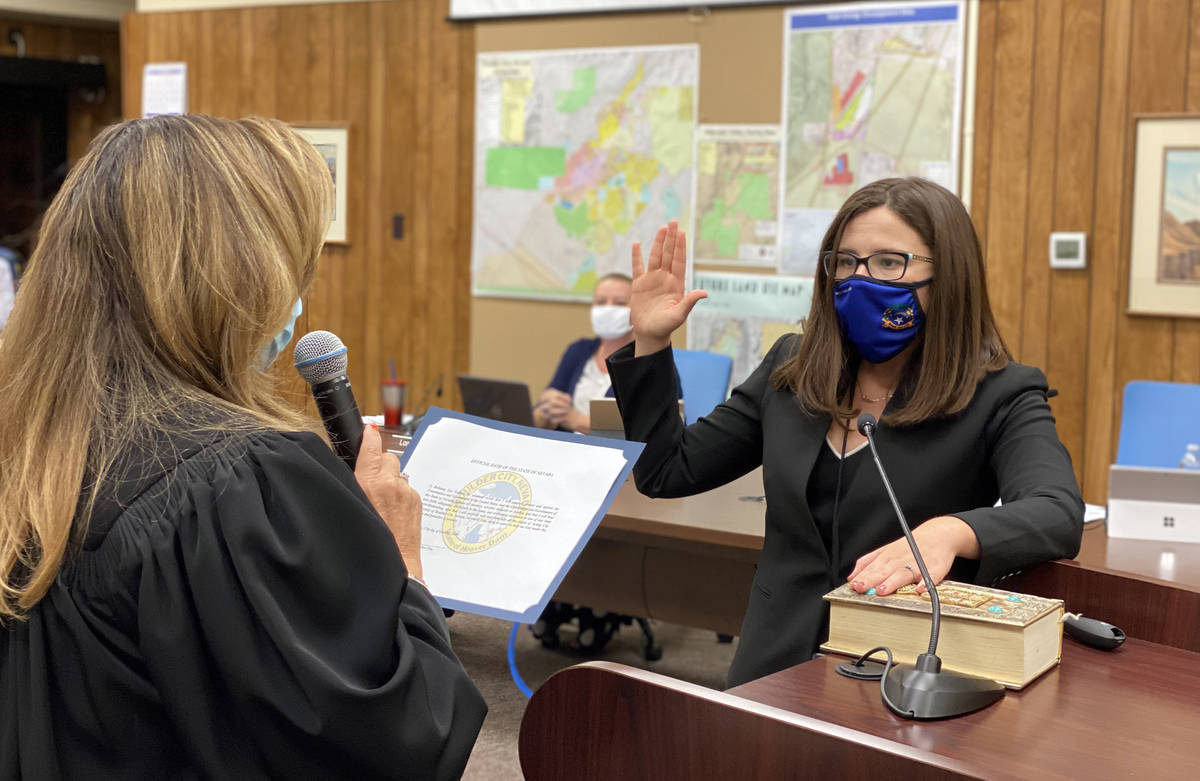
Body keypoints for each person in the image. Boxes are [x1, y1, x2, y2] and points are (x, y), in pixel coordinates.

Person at [0, 115, 485, 778]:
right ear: (237, 271)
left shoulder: (30, 444)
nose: (299, 291)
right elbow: (405, 745)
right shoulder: (236, 478)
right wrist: (401, 559)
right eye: (294, 260)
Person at [608, 177, 1084, 688]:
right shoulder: (791, 368)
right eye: (846, 261)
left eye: (887, 262)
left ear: (948, 275)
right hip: (773, 661)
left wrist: (949, 532)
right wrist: (651, 344)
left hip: (900, 669)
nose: (859, 279)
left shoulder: (999, 393)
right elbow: (667, 472)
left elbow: (1056, 511)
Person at [533, 272, 636, 434]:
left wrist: (574, 419)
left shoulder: (647, 362)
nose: (608, 309)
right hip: (565, 450)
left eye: (619, 303)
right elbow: (544, 407)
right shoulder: (579, 350)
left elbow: (637, 432)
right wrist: (546, 410)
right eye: (601, 302)